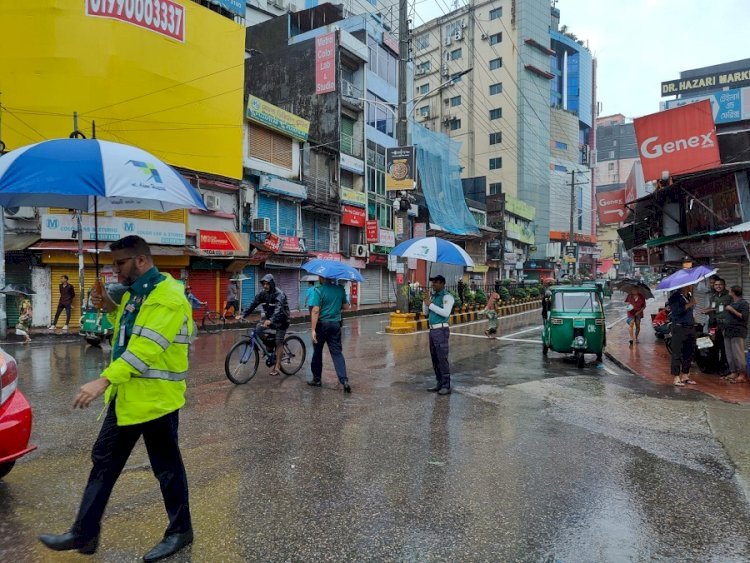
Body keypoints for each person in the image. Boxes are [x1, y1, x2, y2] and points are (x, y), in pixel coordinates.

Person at [38, 235, 194, 561]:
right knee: (104, 462)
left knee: (166, 469)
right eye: (114, 263)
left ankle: (180, 531)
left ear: (140, 260)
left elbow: (146, 349)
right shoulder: (137, 295)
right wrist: (110, 308)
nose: (116, 270)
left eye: (121, 263)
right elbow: (125, 334)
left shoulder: (167, 297)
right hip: (126, 398)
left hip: (156, 400)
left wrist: (103, 380)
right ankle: (85, 533)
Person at [241, 274, 290, 376]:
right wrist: (243, 314)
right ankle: (270, 346)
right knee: (258, 330)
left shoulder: (279, 294)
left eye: (267, 284)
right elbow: (253, 304)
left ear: (272, 283)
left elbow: (279, 309)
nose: (265, 286)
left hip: (282, 320)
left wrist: (271, 320)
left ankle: (277, 366)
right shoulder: (262, 294)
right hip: (269, 319)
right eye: (264, 284)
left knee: (278, 341)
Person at [308, 276, 351, 392]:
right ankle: (344, 380)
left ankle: (317, 379)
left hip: (321, 325)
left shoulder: (318, 290)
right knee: (337, 353)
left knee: (317, 352)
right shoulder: (340, 289)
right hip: (336, 325)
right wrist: (336, 304)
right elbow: (346, 307)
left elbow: (315, 310)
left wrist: (313, 330)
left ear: (322, 278)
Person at [423, 275, 454, 395]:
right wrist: (425, 301)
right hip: (432, 331)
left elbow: (445, 313)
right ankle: (439, 383)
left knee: (442, 358)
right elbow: (426, 312)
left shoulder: (447, 297)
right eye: (432, 282)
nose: (433, 285)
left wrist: (430, 304)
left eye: (435, 282)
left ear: (442, 283)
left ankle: (446, 385)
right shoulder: (433, 297)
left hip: (441, 330)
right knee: (435, 358)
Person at [668, 284, 698, 387]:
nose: (692, 286)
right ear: (684, 286)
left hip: (690, 327)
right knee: (677, 352)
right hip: (679, 327)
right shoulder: (674, 297)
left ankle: (685, 375)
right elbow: (677, 311)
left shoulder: (689, 296)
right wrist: (690, 304)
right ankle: (676, 377)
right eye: (690, 285)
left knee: (689, 352)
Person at [701, 277, 731, 375]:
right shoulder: (713, 296)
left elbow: (729, 310)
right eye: (716, 285)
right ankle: (713, 367)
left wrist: (713, 310)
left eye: (720, 285)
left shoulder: (729, 296)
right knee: (712, 346)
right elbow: (712, 308)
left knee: (724, 348)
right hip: (713, 324)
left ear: (724, 285)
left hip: (724, 325)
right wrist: (706, 310)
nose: (718, 286)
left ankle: (724, 369)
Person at [721, 285, 749, 384]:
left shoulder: (744, 304)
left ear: (733, 292)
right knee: (730, 354)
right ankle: (733, 372)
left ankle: (742, 374)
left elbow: (744, 317)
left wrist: (732, 310)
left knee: (738, 354)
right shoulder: (732, 303)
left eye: (730, 291)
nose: (729, 293)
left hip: (737, 331)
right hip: (728, 331)